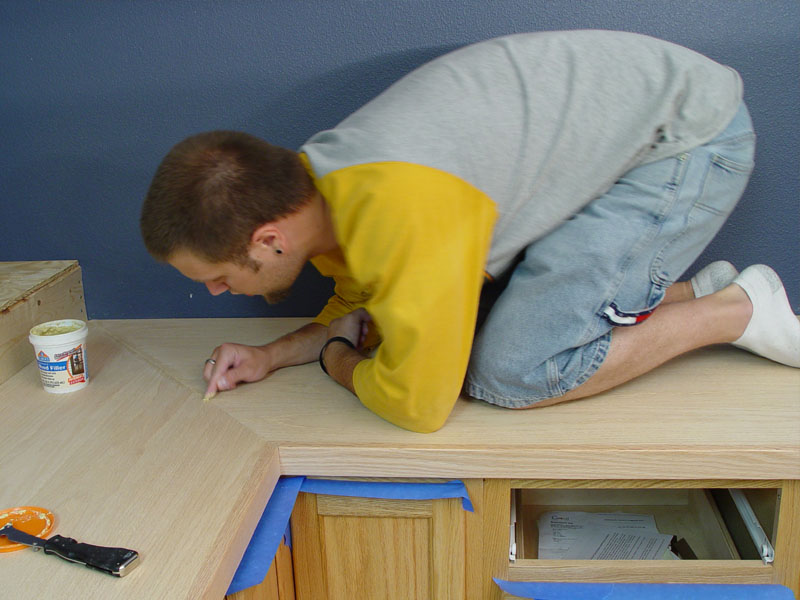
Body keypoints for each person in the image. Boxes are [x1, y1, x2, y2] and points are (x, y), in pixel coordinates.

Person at [140, 30, 800, 433]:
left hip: (685, 145)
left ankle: (737, 310)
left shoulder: (401, 209)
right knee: (477, 334)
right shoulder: (328, 186)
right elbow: (365, 307)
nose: (217, 293)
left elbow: (420, 406)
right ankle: (689, 292)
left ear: (268, 240)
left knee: (510, 373)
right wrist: (271, 356)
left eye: (217, 276)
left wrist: (339, 362)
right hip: (630, 144)